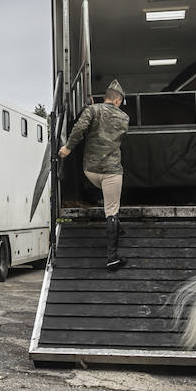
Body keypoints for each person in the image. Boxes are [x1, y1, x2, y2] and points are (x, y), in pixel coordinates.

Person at [58, 78, 130, 270]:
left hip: (90, 171)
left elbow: (80, 128)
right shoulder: (124, 118)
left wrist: (67, 147)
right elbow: (120, 136)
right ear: (117, 100)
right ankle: (112, 257)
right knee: (112, 209)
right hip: (111, 172)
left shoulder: (92, 110)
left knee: (108, 198)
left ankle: (116, 226)